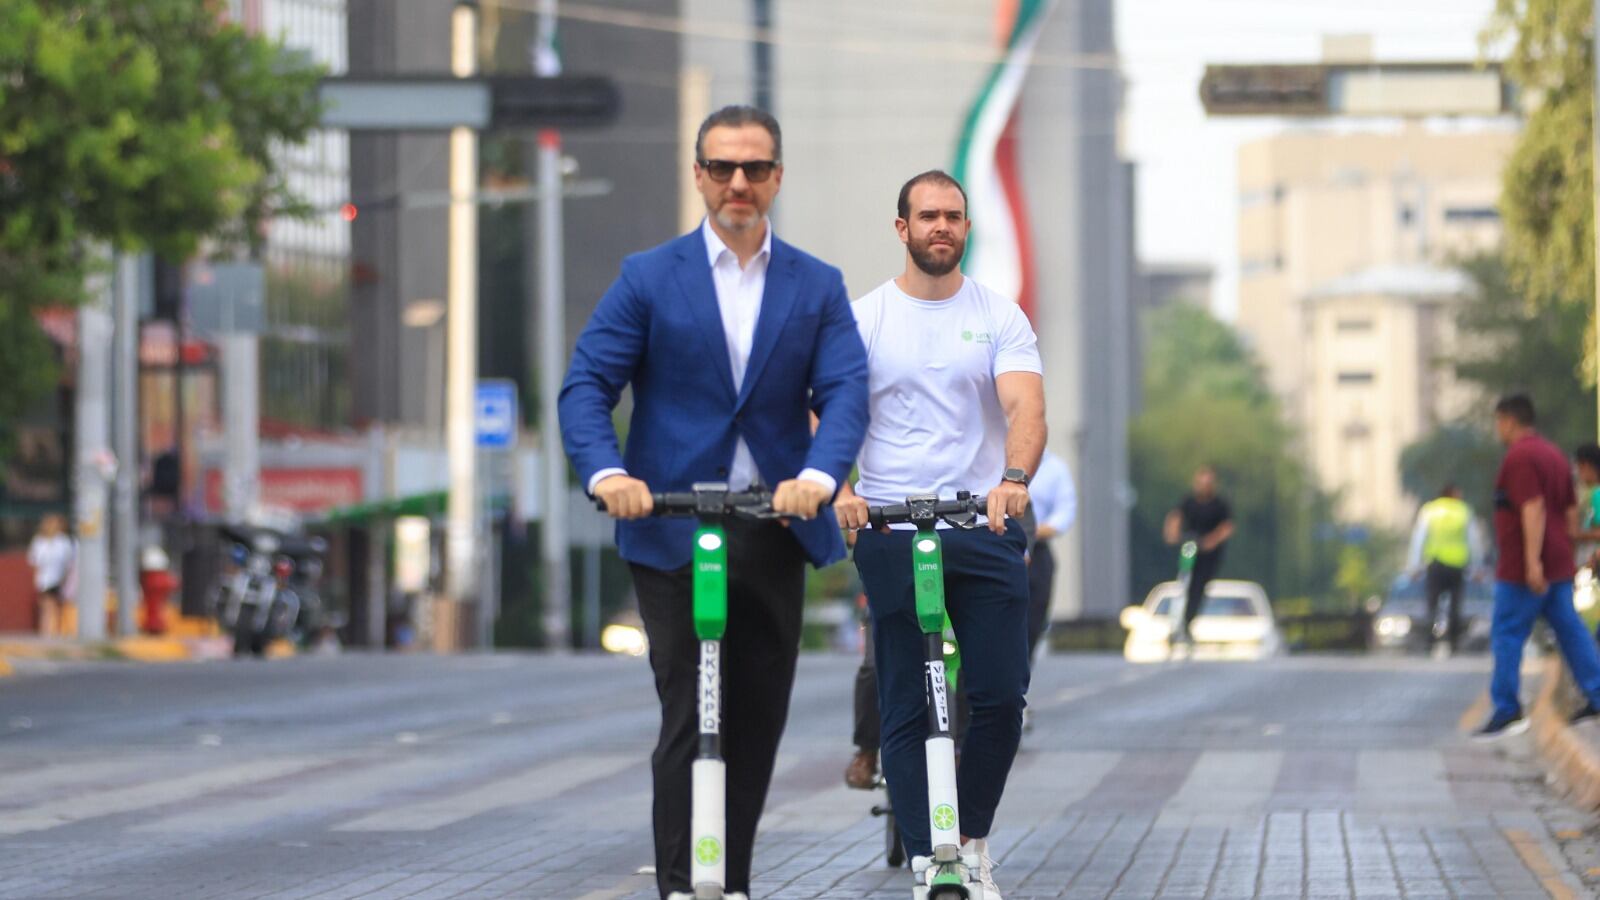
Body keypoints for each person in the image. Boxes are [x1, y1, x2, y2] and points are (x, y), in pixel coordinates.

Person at [558, 105, 869, 900]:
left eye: (756, 168)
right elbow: (587, 385)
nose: (739, 182)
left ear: (777, 178)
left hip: (774, 526)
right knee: (692, 713)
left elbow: (845, 396)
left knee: (758, 716)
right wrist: (607, 476)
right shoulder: (648, 277)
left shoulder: (817, 285)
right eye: (723, 167)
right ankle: (676, 887)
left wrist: (822, 476)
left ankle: (730, 881)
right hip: (669, 527)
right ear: (698, 174)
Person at [834, 169, 1046, 900]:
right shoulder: (863, 319)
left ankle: (973, 840)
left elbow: (1027, 409)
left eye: (953, 216)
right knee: (905, 697)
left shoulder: (998, 315)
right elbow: (822, 415)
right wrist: (840, 486)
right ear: (902, 228)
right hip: (890, 524)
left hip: (980, 520)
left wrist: (1013, 479)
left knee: (998, 696)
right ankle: (930, 858)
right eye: (928, 216)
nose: (942, 227)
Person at [1474, 394, 1600, 740]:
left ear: (1509, 421)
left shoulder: (1520, 456)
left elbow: (1533, 509)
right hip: (1557, 562)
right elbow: (1571, 514)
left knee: (1507, 631)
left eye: (1499, 422)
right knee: (1571, 631)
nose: (1498, 429)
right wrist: (1568, 554)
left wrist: (1531, 564)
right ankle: (1597, 692)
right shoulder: (1555, 456)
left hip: (1524, 569)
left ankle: (1506, 707)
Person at [1403, 484, 1485, 655]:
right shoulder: (1463, 511)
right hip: (1457, 566)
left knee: (1432, 605)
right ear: (1454, 494)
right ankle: (1453, 643)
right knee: (1456, 606)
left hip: (1436, 565)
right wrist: (1477, 567)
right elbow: (1474, 541)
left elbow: (1419, 538)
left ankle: (1429, 642)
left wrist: (1414, 566)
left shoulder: (1430, 511)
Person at [1162, 466, 1234, 641]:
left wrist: (1212, 540)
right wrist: (1172, 533)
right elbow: (1175, 517)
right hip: (1189, 546)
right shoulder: (1189, 502)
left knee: (1199, 586)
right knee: (1184, 580)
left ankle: (1188, 620)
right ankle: (1176, 621)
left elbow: (1227, 527)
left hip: (1208, 551)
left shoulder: (1219, 504)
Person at [1025, 449, 1076, 662]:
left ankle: (1021, 675)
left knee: (1033, 620)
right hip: (998, 544)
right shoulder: (992, 457)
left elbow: (1065, 511)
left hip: (1037, 548)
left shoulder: (1055, 468)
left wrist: (1031, 531)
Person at [27, 514, 74, 637]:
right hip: (45, 579)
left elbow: (69, 562)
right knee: (47, 606)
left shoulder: (63, 542)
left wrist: (66, 578)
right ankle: (47, 632)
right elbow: (34, 561)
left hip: (61, 578)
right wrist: (36, 577)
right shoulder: (39, 541)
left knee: (60, 607)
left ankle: (58, 631)